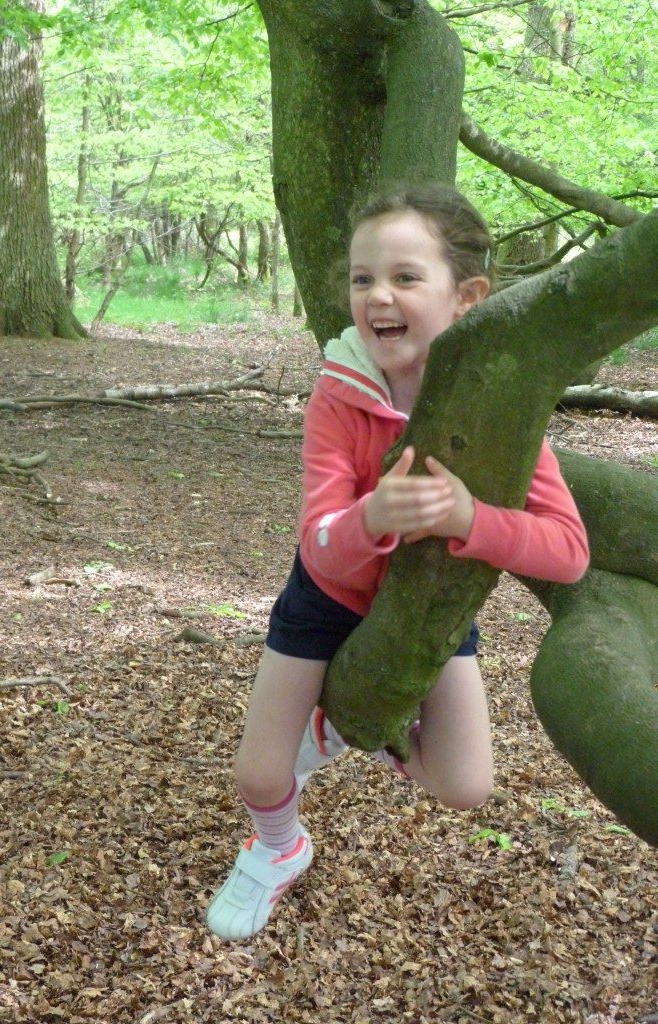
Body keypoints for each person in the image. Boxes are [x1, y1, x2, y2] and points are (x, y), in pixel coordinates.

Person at [205, 182, 589, 941]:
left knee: (465, 784)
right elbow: (318, 541)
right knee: (260, 774)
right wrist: (373, 517)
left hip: (430, 611)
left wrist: (470, 519)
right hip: (327, 600)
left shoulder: (500, 417)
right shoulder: (340, 397)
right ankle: (278, 852)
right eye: (363, 278)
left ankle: (349, 725)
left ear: (466, 296)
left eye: (406, 277)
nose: (380, 294)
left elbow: (569, 553)